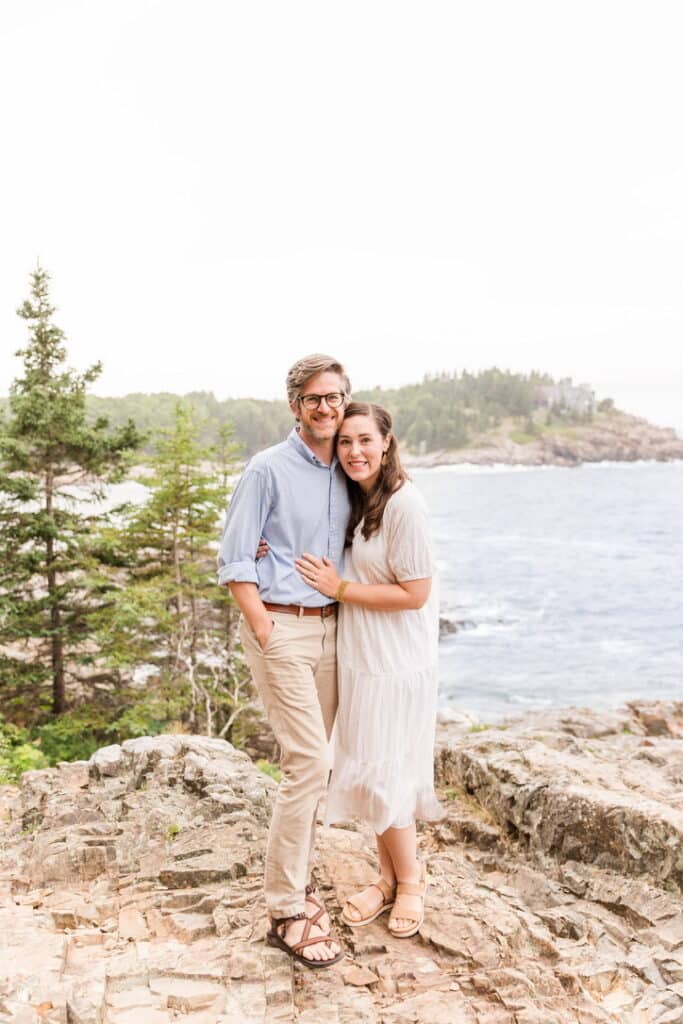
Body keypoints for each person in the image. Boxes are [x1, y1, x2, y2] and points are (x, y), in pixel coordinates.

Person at [217, 353, 352, 968]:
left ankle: (297, 879)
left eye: (335, 397)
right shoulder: (266, 469)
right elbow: (234, 558)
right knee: (309, 760)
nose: (325, 407)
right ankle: (284, 908)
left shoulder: (351, 466)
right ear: (294, 405)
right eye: (314, 398)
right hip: (282, 629)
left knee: (316, 768)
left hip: (334, 631)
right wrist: (264, 626)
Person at [295, 401, 443, 938]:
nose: (354, 451)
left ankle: (411, 881)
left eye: (364, 440)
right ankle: (385, 879)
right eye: (344, 442)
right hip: (362, 659)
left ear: (386, 442)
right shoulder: (359, 502)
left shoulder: (405, 504)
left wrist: (340, 590)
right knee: (371, 772)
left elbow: (417, 593)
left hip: (397, 663)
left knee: (387, 777)